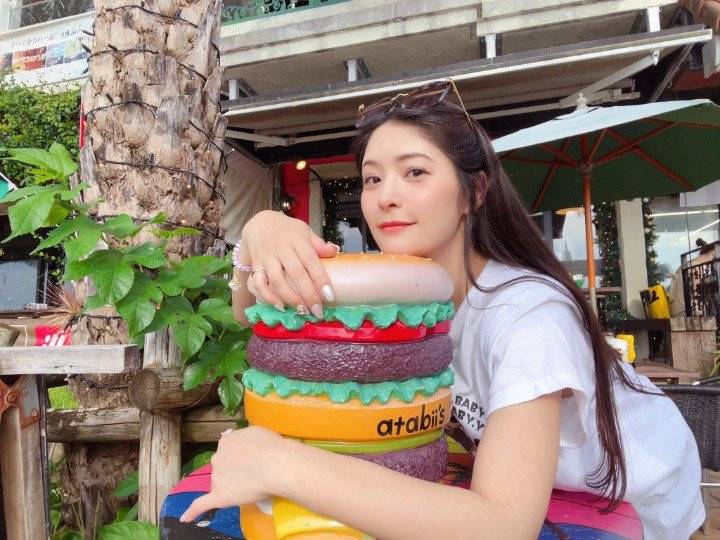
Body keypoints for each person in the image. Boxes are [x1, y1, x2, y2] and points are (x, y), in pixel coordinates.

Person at [181, 80, 704, 539]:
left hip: (632, 511)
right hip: (535, 493)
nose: (385, 197)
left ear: (474, 192)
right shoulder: (404, 296)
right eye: (372, 178)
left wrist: (281, 465)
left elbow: (503, 526)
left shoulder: (529, 314)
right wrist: (258, 235)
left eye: (414, 172)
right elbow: (251, 313)